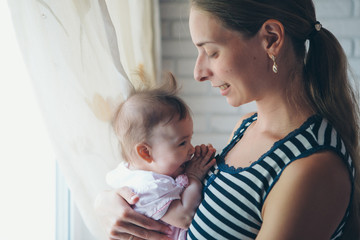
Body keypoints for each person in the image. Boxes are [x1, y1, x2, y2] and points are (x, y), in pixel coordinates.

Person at [95, 0, 360, 239]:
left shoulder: (311, 167)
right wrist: (115, 202)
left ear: (271, 39)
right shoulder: (246, 127)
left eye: (211, 52)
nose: (198, 72)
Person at [102, 73, 216, 240]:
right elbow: (184, 217)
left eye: (190, 140)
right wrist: (193, 177)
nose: (191, 149)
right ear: (146, 153)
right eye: (182, 143)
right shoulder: (147, 188)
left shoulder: (142, 170)